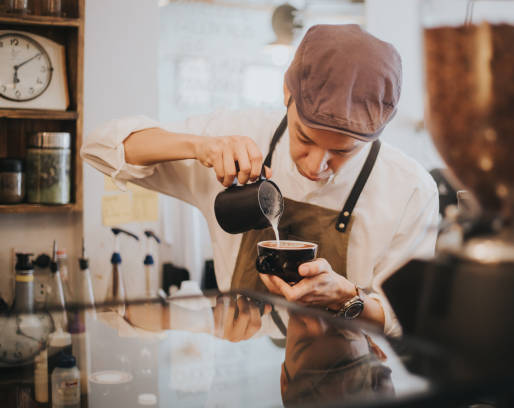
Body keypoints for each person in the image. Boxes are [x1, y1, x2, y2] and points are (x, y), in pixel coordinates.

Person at [81, 24, 438, 337]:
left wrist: (350, 300)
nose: (317, 166)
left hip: (345, 384)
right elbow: (98, 148)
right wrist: (198, 147)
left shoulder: (409, 189)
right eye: (306, 140)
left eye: (343, 152)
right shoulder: (238, 133)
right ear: (287, 92)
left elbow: (406, 321)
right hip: (238, 362)